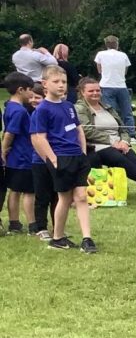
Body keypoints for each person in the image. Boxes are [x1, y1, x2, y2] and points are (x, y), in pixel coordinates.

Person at [29, 65, 95, 253]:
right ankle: (57, 237)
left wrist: (83, 153)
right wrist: (54, 160)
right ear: (45, 84)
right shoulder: (42, 109)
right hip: (61, 157)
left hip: (77, 157)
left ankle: (87, 238)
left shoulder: (69, 106)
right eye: (56, 81)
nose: (61, 85)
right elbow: (40, 138)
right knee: (64, 198)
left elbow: (78, 130)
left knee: (81, 196)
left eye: (64, 82)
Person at [75, 77, 136, 200]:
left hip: (118, 143)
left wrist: (124, 141)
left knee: (135, 160)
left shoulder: (107, 107)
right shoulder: (79, 109)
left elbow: (123, 128)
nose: (95, 93)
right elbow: (87, 131)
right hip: (98, 145)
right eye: (91, 91)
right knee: (120, 160)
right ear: (82, 92)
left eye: (98, 90)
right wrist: (112, 142)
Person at [2, 73, 37, 233]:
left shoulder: (9, 106)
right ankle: (32, 224)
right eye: (30, 90)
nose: (32, 93)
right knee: (29, 191)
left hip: (15, 158)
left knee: (14, 190)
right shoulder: (20, 111)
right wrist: (3, 151)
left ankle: (14, 223)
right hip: (23, 157)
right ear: (20, 90)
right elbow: (10, 133)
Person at [92, 35, 136, 145]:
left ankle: (114, 133)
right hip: (121, 85)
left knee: (111, 112)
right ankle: (131, 135)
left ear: (106, 44)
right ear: (117, 44)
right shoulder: (123, 55)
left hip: (106, 85)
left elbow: (99, 70)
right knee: (127, 111)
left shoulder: (100, 54)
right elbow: (125, 71)